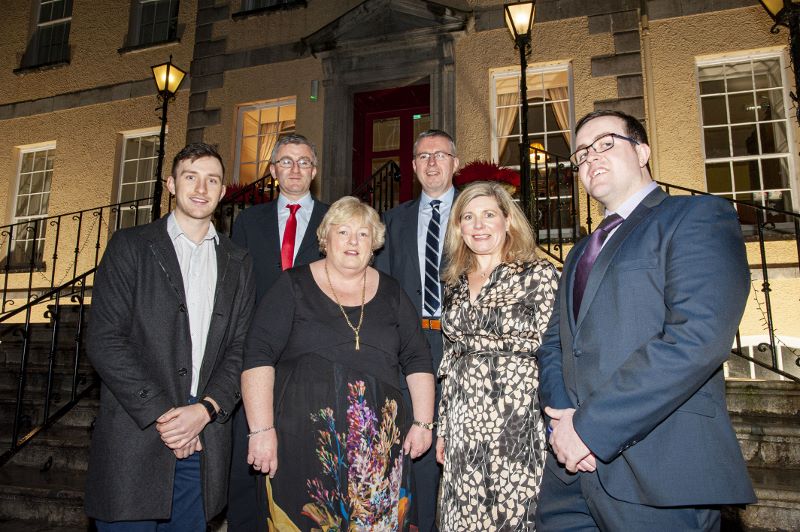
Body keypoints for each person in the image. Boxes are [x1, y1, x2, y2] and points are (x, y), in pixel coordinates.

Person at [535, 110, 756, 531]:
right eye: (581, 153)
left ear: (642, 151)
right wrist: (562, 418)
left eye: (605, 143)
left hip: (658, 472)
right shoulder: (581, 251)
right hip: (570, 476)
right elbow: (556, 344)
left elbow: (696, 339)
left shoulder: (695, 218)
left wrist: (588, 428)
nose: (590, 157)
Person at [85, 143, 255, 530]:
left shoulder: (238, 262)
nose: (201, 187)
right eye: (190, 176)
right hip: (137, 434)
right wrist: (166, 416)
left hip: (206, 439)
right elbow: (105, 340)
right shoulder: (130, 247)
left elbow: (240, 348)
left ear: (223, 190)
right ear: (171, 184)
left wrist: (206, 410)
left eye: (212, 179)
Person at [242, 196, 436, 531]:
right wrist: (260, 430)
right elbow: (258, 354)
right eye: (343, 231)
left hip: (378, 452)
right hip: (301, 444)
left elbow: (418, 357)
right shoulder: (292, 285)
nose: (352, 242)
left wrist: (423, 423)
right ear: (325, 237)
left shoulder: (391, 292)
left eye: (363, 234)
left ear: (374, 244)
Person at [434, 181, 558, 530]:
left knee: (514, 514)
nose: (479, 225)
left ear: (507, 221)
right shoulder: (454, 283)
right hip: (462, 422)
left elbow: (556, 351)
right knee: (463, 514)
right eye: (468, 217)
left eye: (489, 215)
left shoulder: (538, 275)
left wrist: (560, 419)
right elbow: (451, 357)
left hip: (517, 419)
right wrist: (443, 428)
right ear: (459, 228)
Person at [227, 134, 329, 530]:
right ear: (272, 171)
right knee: (249, 453)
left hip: (310, 354)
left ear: (315, 171)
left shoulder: (333, 220)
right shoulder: (249, 222)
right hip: (258, 354)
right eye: (285, 162)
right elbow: (235, 289)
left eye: (304, 162)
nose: (295, 169)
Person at [374, 129, 459, 531]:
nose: (431, 162)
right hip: (413, 345)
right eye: (423, 156)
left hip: (464, 343)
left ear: (454, 163)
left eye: (440, 155)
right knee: (418, 442)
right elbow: (384, 289)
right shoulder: (394, 220)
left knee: (463, 440)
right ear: (412, 166)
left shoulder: (474, 213)